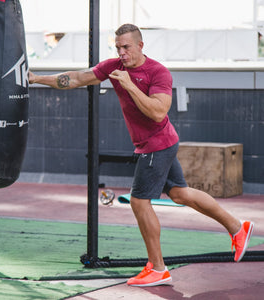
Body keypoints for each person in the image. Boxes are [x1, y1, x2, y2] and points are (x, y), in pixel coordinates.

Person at [28, 24, 254, 287]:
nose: (122, 53)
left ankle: (158, 268)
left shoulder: (158, 73)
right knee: (180, 193)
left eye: (126, 47)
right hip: (158, 143)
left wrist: (130, 86)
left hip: (157, 144)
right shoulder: (114, 67)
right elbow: (77, 78)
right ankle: (238, 227)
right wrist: (35, 78)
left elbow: (158, 112)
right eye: (118, 48)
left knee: (139, 201)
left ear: (140, 46)